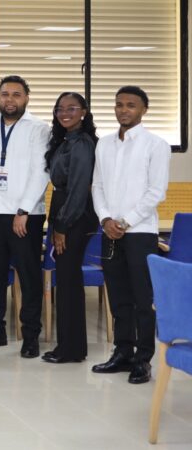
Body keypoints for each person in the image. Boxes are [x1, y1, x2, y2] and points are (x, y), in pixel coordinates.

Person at [91, 86, 170, 385]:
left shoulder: (156, 145)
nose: (124, 110)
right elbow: (97, 186)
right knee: (118, 296)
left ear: (143, 110)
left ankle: (142, 360)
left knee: (141, 298)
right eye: (119, 105)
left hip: (140, 233)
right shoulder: (105, 144)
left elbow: (156, 191)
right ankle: (122, 352)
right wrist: (106, 219)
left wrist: (125, 221)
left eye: (131, 105)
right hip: (110, 230)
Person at [0, 75, 50, 358]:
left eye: (16, 94)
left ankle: (30, 335)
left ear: (26, 97)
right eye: (5, 94)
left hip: (25, 215)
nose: (10, 100)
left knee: (28, 276)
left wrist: (24, 210)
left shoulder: (39, 128)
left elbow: (41, 172)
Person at [42, 92, 98, 364]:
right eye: (60, 108)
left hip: (74, 216)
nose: (65, 113)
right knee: (66, 281)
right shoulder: (65, 141)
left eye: (72, 108)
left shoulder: (83, 144)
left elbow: (78, 188)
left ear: (84, 112)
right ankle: (71, 347)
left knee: (68, 282)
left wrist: (62, 226)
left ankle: (71, 349)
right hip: (62, 212)